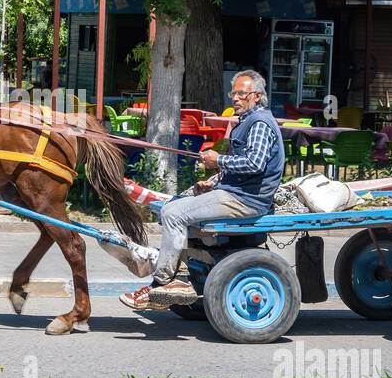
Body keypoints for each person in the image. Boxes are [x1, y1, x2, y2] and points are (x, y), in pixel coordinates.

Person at [120, 69, 285, 310]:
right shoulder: (249, 121)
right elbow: (245, 166)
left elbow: (254, 163)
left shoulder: (259, 123)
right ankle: (183, 273)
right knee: (174, 204)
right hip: (237, 193)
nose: (235, 99)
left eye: (241, 94)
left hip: (246, 200)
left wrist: (217, 160)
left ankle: (164, 283)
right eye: (233, 93)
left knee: (173, 213)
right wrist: (214, 181)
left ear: (257, 96)